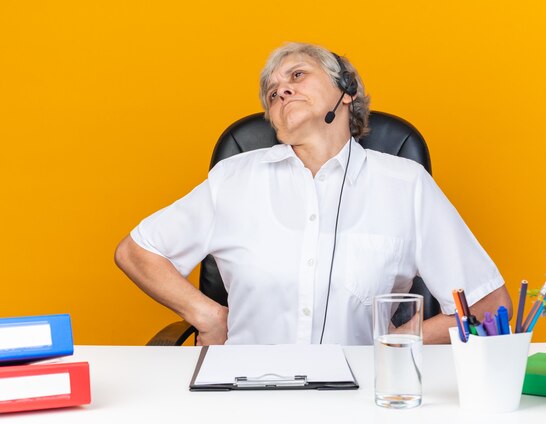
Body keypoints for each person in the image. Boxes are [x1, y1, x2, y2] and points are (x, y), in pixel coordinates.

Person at [115, 42, 512, 346]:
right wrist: (207, 315)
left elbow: (488, 305)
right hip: (244, 396)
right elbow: (135, 251)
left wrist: (400, 342)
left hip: (363, 398)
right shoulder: (234, 178)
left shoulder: (406, 184)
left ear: (347, 91)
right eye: (272, 93)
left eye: (297, 76)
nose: (281, 91)